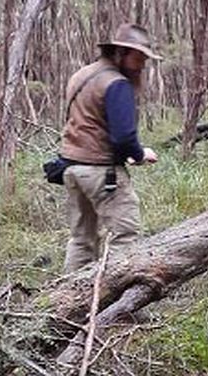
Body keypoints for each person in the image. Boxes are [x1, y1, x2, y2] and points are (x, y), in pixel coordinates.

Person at [59, 23, 160, 272]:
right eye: (138, 57)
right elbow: (124, 137)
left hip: (72, 168)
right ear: (120, 53)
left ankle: (67, 302)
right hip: (102, 173)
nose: (142, 64)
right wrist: (139, 154)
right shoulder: (117, 84)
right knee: (125, 235)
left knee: (81, 239)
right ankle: (117, 304)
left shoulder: (82, 75)